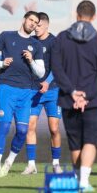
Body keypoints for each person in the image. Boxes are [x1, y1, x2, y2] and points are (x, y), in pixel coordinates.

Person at [51, 0, 97, 192]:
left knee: (75, 143)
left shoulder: (61, 38)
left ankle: (79, 180)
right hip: (92, 102)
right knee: (90, 141)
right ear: (94, 17)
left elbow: (57, 68)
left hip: (69, 101)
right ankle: (84, 182)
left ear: (77, 15)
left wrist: (72, 92)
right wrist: (88, 96)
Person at [0, 11, 45, 177]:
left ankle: (9, 161)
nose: (33, 24)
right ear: (24, 19)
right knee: (4, 126)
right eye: (31, 20)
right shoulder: (6, 36)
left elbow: (40, 73)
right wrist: (1, 63)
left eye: (36, 22)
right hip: (7, 89)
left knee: (22, 131)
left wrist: (31, 60)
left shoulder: (36, 45)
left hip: (26, 92)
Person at [22, 12, 63, 175]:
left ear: (46, 25)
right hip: (34, 92)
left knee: (54, 128)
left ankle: (56, 164)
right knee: (30, 126)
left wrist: (47, 82)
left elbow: (57, 67)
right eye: (34, 25)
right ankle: (31, 165)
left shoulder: (55, 42)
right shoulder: (30, 42)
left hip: (52, 91)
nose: (35, 28)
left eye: (38, 25)